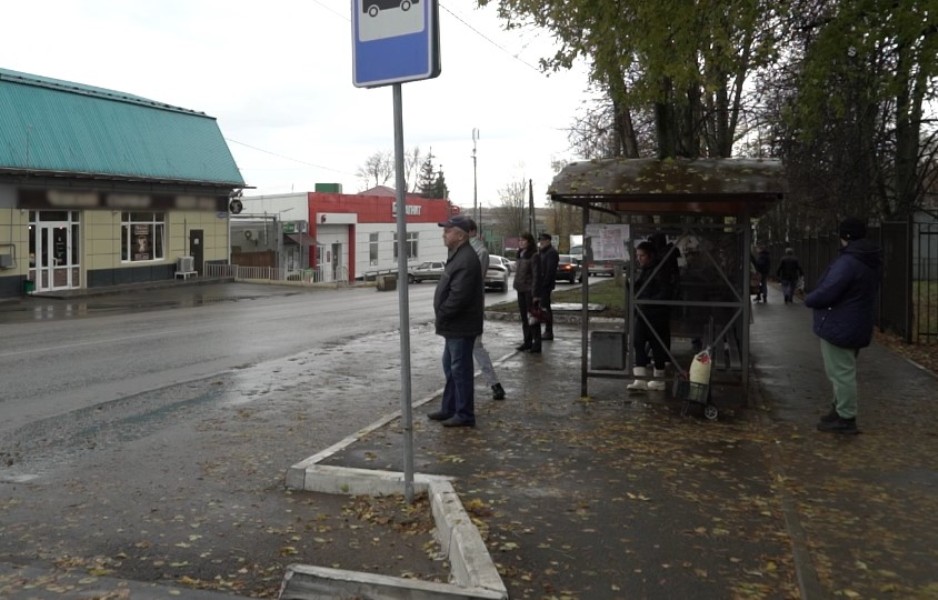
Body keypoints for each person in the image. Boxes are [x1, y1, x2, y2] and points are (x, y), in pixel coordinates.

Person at [805, 217, 882, 434]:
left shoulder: (848, 262)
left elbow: (829, 290)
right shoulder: (870, 259)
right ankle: (838, 410)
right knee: (842, 370)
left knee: (841, 373)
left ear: (844, 236)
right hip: (856, 323)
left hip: (840, 325)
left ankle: (846, 417)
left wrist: (810, 299)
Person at [428, 214, 485, 428]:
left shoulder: (466, 259)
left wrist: (442, 313)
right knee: (451, 370)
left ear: (460, 236)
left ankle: (464, 414)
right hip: (454, 326)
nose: (444, 235)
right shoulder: (458, 255)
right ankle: (450, 408)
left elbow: (458, 297)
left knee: (460, 371)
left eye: (448, 231)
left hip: (460, 326)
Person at [466, 219, 506, 400]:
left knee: (475, 346)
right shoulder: (461, 250)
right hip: (463, 306)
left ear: (471, 232)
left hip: (471, 306)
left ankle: (494, 383)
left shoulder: (479, 252)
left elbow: (474, 280)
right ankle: (459, 392)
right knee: (458, 351)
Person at [627, 241, 672, 392]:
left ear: (650, 256)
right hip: (646, 312)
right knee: (641, 342)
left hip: (654, 313)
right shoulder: (646, 269)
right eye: (638, 255)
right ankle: (646, 379)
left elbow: (665, 292)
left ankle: (654, 379)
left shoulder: (659, 270)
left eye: (642, 255)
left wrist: (647, 302)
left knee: (652, 344)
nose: (639, 258)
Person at [513, 232, 539, 352]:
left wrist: (535, 294)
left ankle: (536, 343)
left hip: (529, 290)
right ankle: (527, 341)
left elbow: (536, 276)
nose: (521, 242)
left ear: (529, 242)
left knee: (532, 317)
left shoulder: (534, 256)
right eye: (519, 240)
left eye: (523, 240)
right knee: (524, 318)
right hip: (520, 289)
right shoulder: (520, 254)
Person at [533, 232, 559, 345]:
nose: (541, 242)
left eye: (543, 240)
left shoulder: (551, 253)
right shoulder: (542, 252)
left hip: (545, 286)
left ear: (548, 241)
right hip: (540, 285)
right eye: (540, 240)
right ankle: (544, 330)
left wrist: (544, 285)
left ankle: (549, 331)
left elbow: (550, 271)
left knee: (545, 308)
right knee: (541, 308)